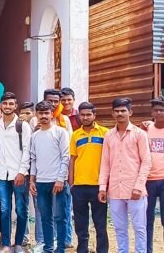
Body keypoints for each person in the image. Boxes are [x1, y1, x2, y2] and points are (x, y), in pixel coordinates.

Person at [99, 97, 152, 253]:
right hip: (115, 190)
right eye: (116, 111)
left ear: (130, 112)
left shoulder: (139, 134)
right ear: (112, 113)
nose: (120, 114)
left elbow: (146, 162)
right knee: (119, 228)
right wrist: (102, 187)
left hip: (135, 190)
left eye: (123, 110)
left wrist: (139, 186)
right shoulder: (109, 135)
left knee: (139, 228)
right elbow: (105, 163)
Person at [29, 101, 70, 253]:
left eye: (47, 113)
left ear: (52, 114)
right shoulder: (35, 136)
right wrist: (32, 180)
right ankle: (48, 248)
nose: (44, 116)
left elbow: (65, 157)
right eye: (41, 113)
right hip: (41, 182)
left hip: (57, 182)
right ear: (36, 115)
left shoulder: (60, 132)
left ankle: (61, 248)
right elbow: (33, 159)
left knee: (60, 217)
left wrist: (60, 179)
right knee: (45, 217)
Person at [68, 102, 108, 253]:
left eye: (88, 114)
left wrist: (106, 184)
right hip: (79, 186)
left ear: (94, 115)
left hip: (99, 186)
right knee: (80, 223)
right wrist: (71, 183)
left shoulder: (105, 133)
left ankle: (102, 250)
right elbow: (72, 159)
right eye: (82, 115)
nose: (85, 117)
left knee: (100, 223)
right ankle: (82, 249)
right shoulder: (75, 135)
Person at [0, 92, 31, 253]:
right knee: (4, 210)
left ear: (15, 106)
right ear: (0, 105)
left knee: (21, 209)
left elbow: (27, 150)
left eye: (11, 104)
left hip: (18, 174)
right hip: (2, 173)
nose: (7, 106)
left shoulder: (22, 126)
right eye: (5, 103)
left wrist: (22, 172)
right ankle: (6, 244)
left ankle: (18, 243)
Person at [146, 97, 164, 253]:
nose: (159, 113)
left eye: (162, 110)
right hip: (148, 180)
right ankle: (148, 250)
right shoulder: (145, 129)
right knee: (147, 219)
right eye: (156, 110)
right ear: (151, 112)